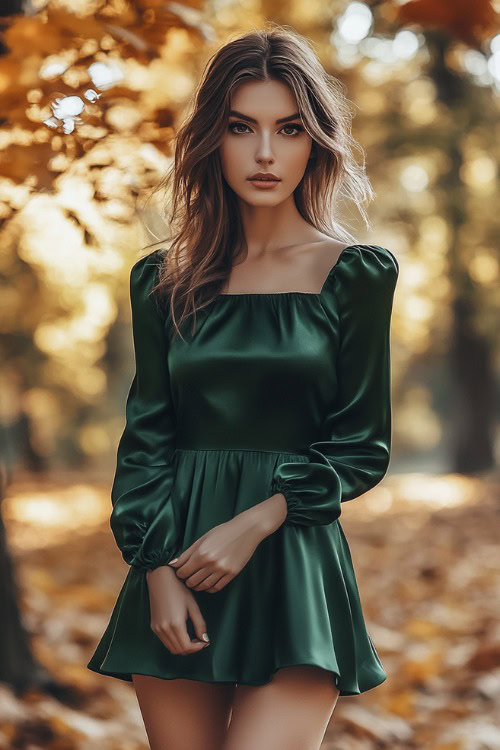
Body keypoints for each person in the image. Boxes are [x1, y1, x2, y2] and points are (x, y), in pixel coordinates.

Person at [87, 24, 399, 750]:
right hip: (176, 562)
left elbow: (360, 447)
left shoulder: (358, 275)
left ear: (315, 140)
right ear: (212, 140)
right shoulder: (162, 281)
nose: (265, 153)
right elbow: (149, 437)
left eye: (288, 129)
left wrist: (256, 521)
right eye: (241, 127)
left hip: (293, 566)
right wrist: (157, 569)